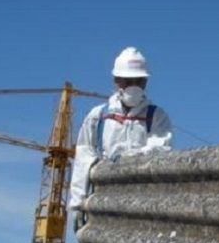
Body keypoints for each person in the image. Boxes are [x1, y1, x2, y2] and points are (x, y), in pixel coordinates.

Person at [69, 47, 173, 228]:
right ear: (117, 81)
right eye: (128, 80)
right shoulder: (98, 116)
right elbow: (83, 158)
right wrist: (78, 203)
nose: (133, 86)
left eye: (138, 81)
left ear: (145, 82)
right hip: (104, 200)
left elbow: (160, 150)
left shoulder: (156, 117)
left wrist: (128, 158)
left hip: (141, 204)